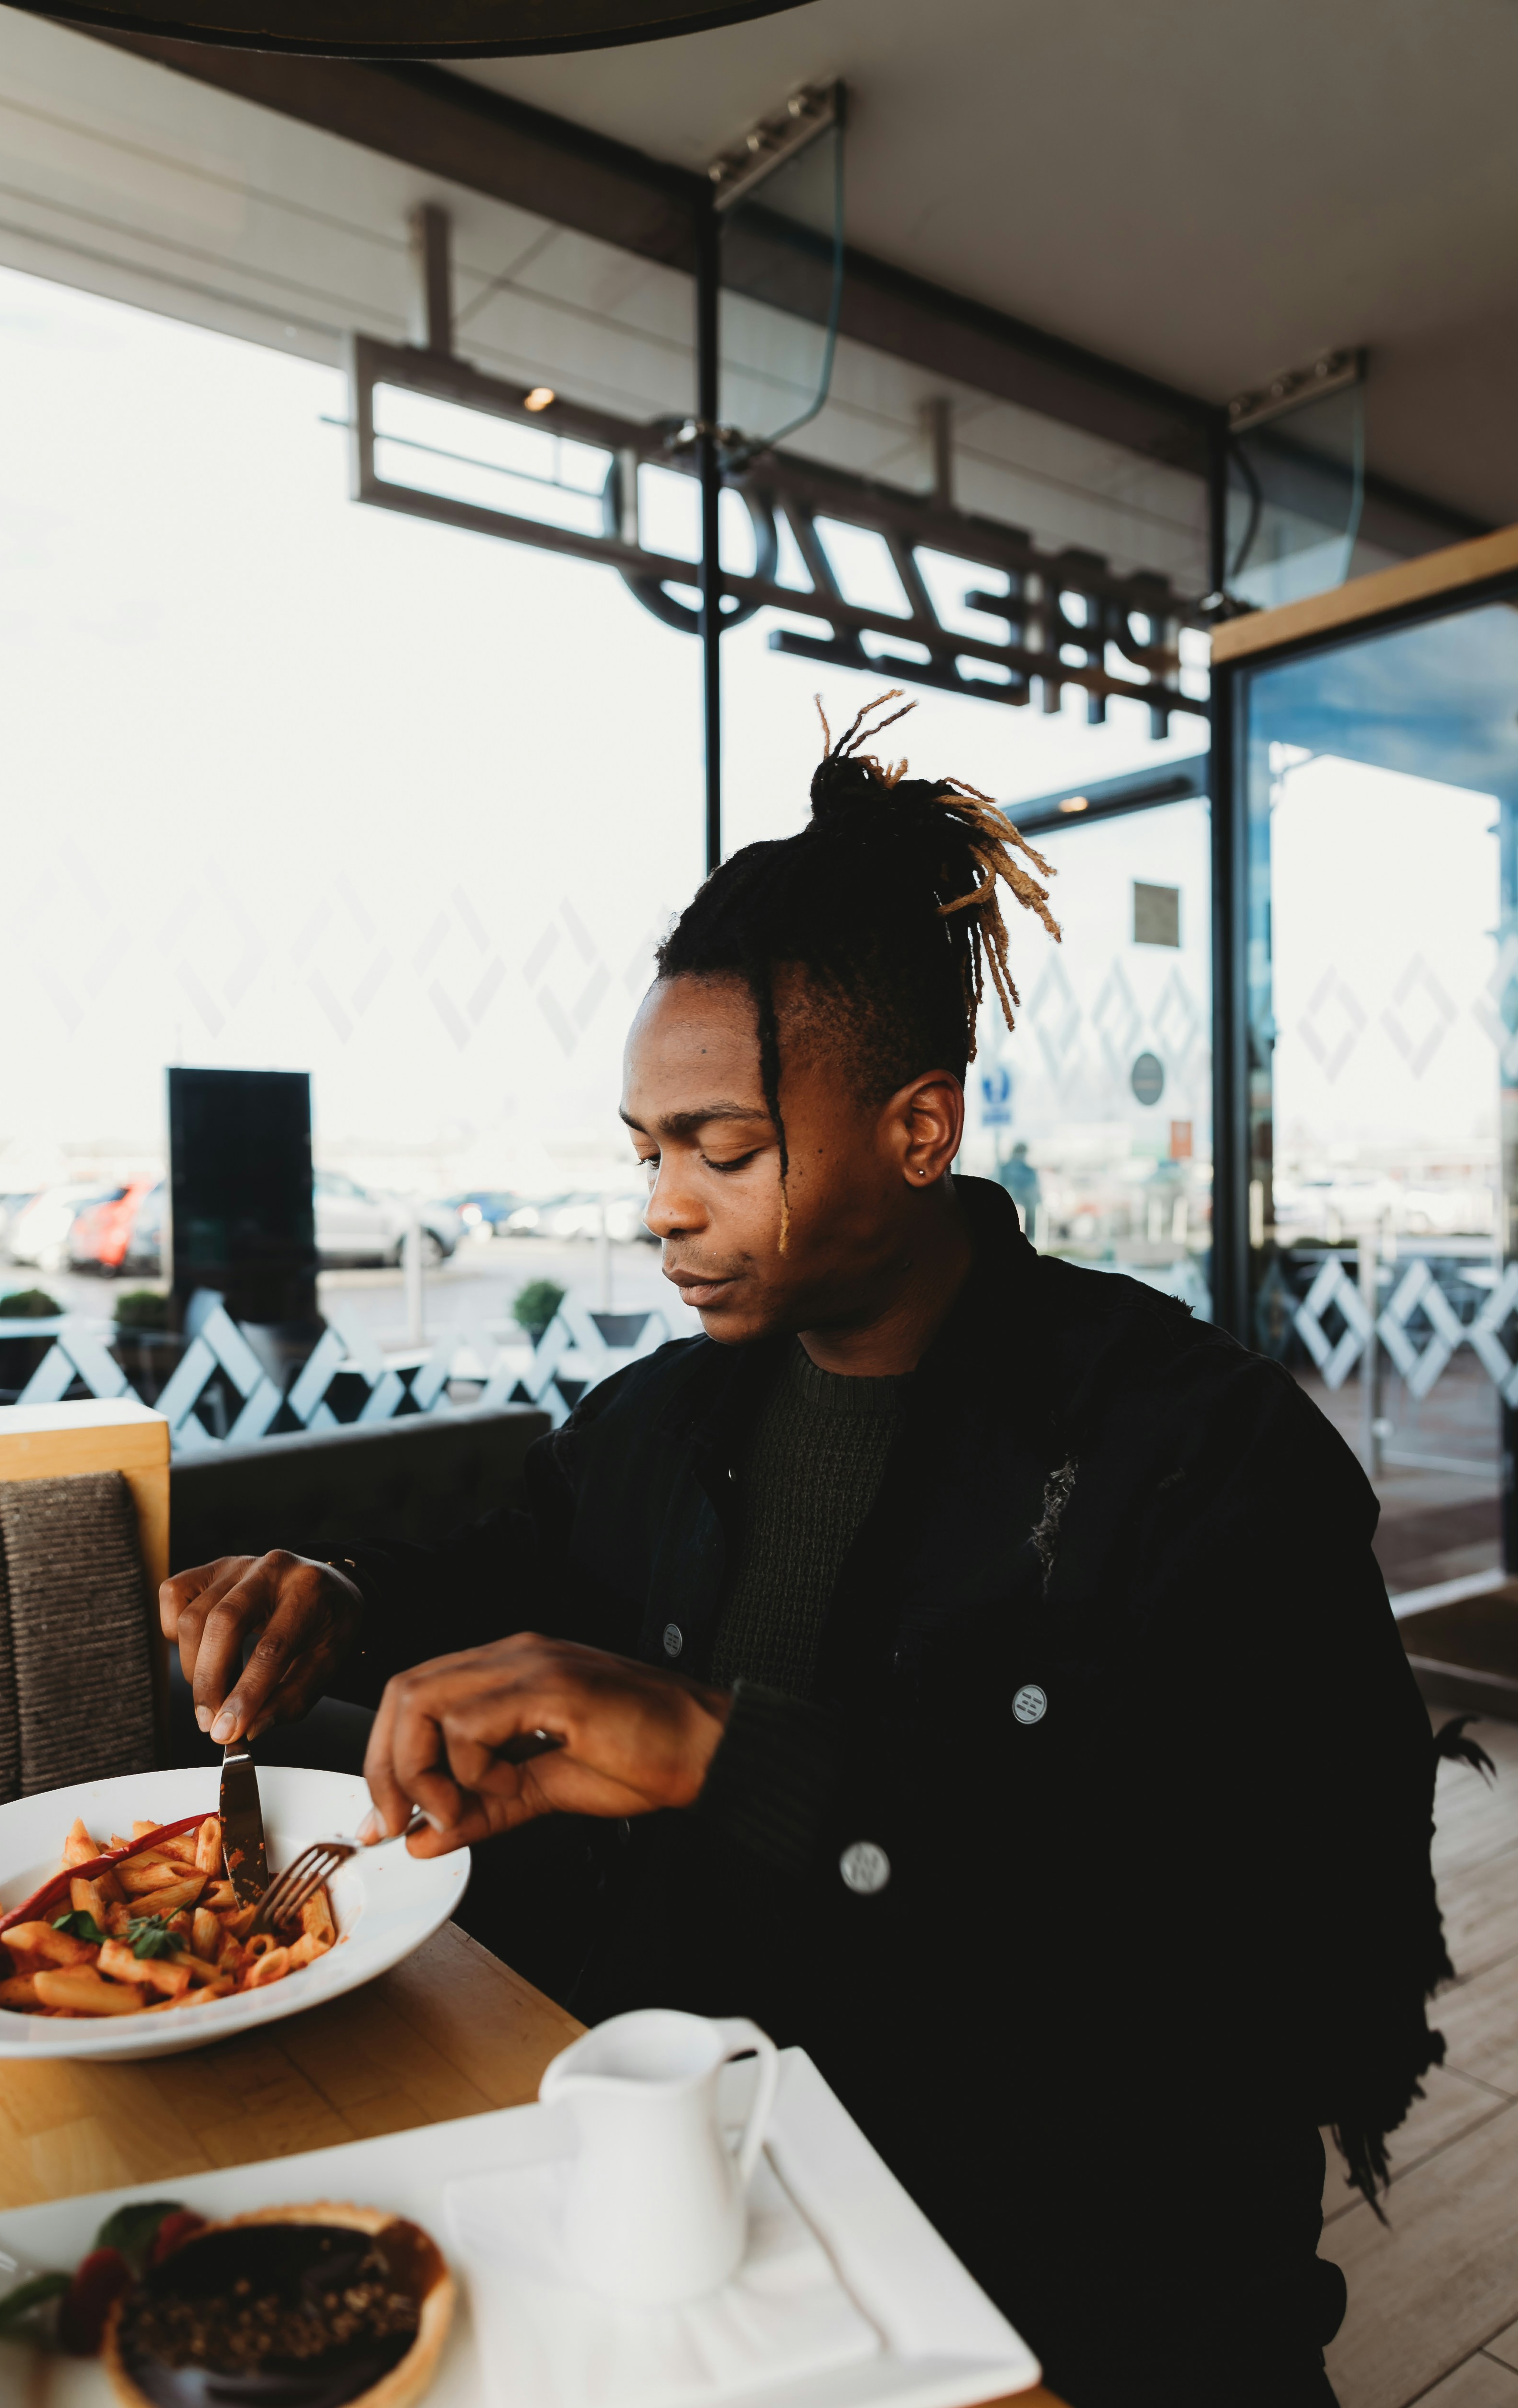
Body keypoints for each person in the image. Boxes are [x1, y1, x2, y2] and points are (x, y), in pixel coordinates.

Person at [163, 696, 1451, 2408]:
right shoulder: (663, 1419)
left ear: (919, 1131)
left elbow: (1297, 1959)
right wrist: (334, 1597)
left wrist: (728, 1753)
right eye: (649, 1153)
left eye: (727, 1149)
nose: (664, 1208)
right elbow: (506, 1564)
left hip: (1048, 2289)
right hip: (684, 2228)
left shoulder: (1193, 1451)